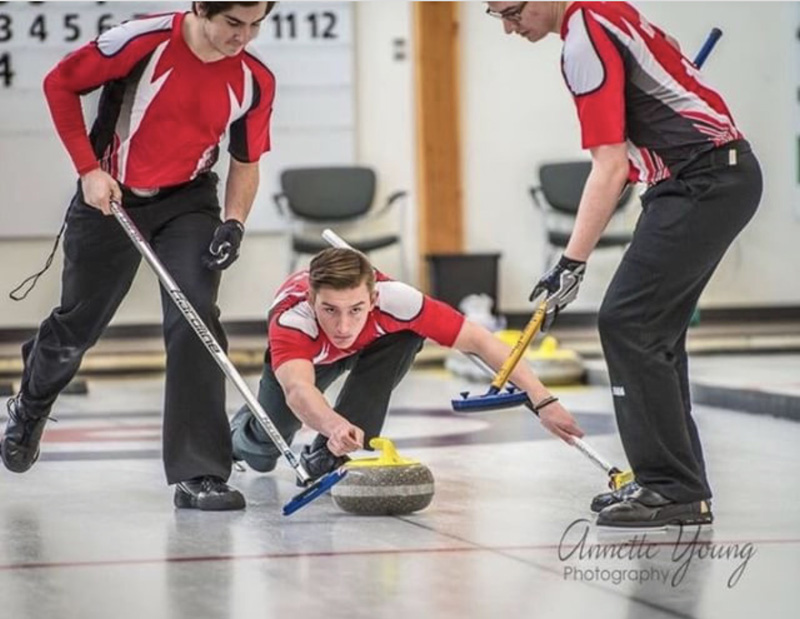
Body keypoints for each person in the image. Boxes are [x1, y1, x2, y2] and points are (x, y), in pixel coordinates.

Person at [487, 2, 762, 527]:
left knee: (628, 322)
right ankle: (674, 482)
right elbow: (672, 55)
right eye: (495, 15)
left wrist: (571, 262)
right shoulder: (607, 13)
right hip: (703, 179)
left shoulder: (582, 39)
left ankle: (671, 486)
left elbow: (610, 167)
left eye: (512, 11)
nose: (507, 27)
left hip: (701, 181)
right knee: (651, 331)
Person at [1, 2, 278, 511]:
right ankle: (31, 403)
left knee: (195, 314)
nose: (244, 37)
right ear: (200, 8)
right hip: (112, 193)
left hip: (189, 200)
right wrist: (87, 169)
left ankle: (200, 472)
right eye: (233, 23)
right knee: (80, 321)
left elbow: (246, 159)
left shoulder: (254, 78)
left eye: (256, 25)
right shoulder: (142, 40)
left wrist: (233, 223)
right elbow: (58, 84)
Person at [230, 247, 585, 478]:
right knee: (264, 450)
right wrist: (333, 425)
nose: (343, 326)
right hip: (309, 360)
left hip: (373, 347)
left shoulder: (399, 301)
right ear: (311, 298)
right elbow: (298, 389)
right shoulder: (293, 318)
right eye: (329, 310)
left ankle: (328, 457)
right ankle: (237, 434)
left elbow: (480, 341)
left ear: (372, 297)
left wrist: (543, 399)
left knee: (408, 335)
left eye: (356, 310)